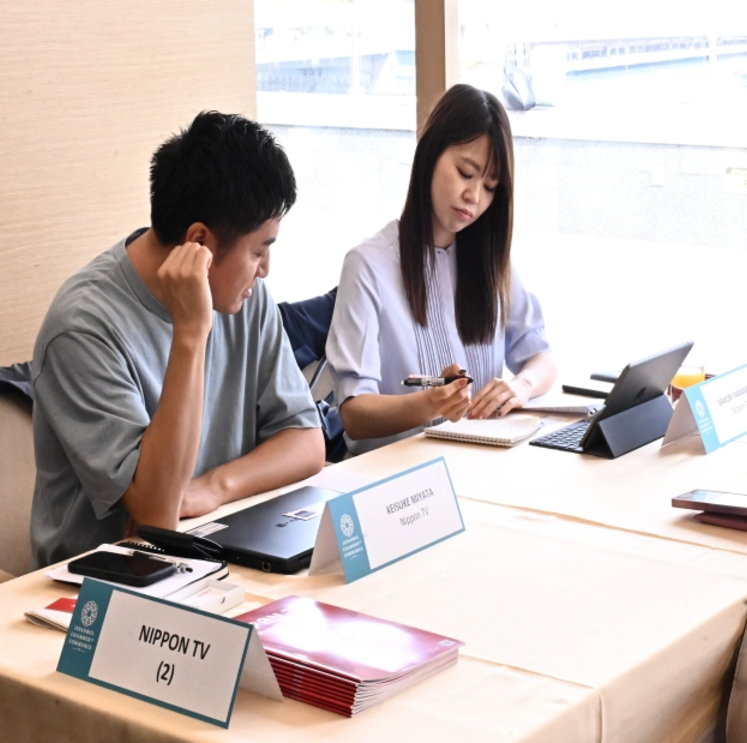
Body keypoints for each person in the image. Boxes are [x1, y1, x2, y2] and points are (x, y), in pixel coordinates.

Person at [30, 111, 325, 567]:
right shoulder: (82, 327)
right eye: (258, 250)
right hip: (105, 588)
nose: (264, 270)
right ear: (199, 243)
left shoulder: (246, 296)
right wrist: (190, 331)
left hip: (218, 555)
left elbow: (306, 441)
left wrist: (214, 487)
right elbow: (156, 514)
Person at [327, 84, 556, 456]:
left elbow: (541, 356)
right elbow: (354, 413)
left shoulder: (489, 260)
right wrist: (430, 404)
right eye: (466, 173)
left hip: (481, 466)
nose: (475, 197)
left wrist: (521, 387)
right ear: (430, 154)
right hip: (401, 483)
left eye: (490, 186)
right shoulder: (369, 265)